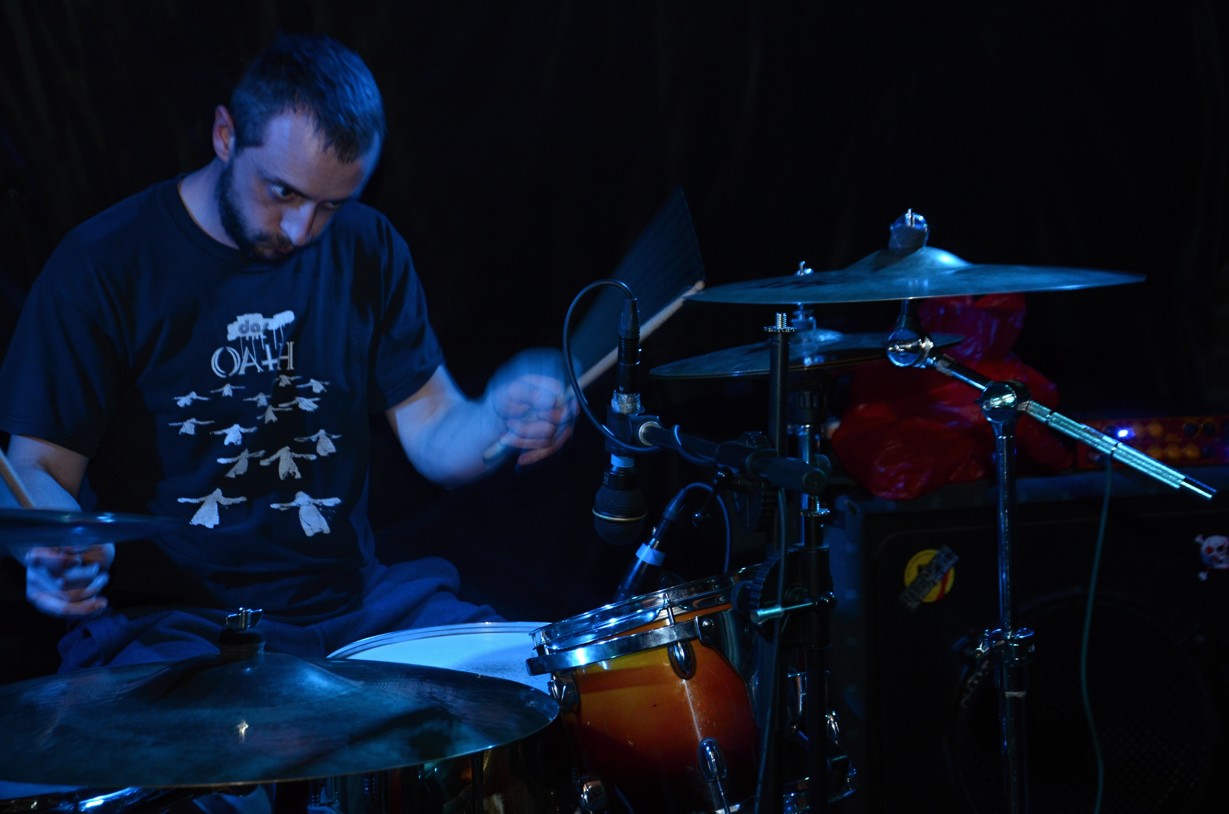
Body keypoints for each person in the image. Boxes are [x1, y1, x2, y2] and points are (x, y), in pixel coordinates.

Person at [0, 32, 576, 672]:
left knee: (525, 677)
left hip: (357, 607)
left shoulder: (368, 246)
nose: (303, 230)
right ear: (226, 136)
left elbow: (435, 430)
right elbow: (36, 466)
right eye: (284, 193)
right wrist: (53, 548)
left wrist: (498, 417)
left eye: (332, 205)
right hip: (177, 623)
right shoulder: (103, 264)